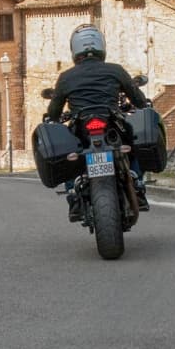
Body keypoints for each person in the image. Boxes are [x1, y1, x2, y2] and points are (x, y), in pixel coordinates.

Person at [47, 23, 149, 220]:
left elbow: (54, 111)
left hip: (81, 128)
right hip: (112, 123)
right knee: (133, 143)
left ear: (74, 50)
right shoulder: (115, 70)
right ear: (101, 47)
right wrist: (142, 104)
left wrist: (52, 118)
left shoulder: (65, 77)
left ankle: (73, 194)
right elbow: (137, 98)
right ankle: (137, 185)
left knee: (69, 151)